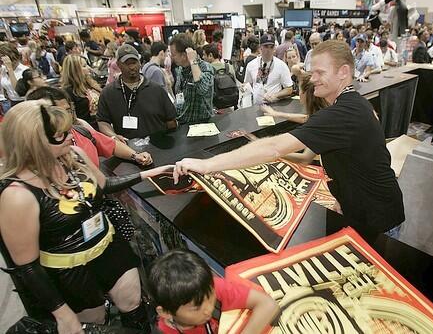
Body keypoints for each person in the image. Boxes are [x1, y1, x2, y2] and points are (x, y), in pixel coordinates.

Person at [173, 40, 405, 240]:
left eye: (320, 73)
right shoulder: (352, 105)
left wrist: (206, 165)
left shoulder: (341, 113)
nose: (313, 79)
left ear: (344, 72)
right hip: (366, 210)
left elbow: (274, 147)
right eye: (312, 72)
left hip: (379, 220)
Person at [0, 102, 174, 333]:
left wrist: (149, 173)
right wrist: (62, 314)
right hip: (70, 272)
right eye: (60, 135)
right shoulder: (17, 196)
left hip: (110, 248)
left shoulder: (75, 156)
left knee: (134, 304)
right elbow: (27, 267)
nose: (69, 137)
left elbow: (104, 185)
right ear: (35, 143)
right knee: (95, 323)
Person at [148, 249, 279, 334]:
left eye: (210, 297)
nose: (208, 309)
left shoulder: (207, 287)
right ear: (166, 312)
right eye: (196, 308)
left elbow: (268, 304)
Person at [26, 86, 153, 167]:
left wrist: (135, 155)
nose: (67, 117)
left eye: (68, 110)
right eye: (60, 113)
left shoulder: (80, 131)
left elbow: (111, 144)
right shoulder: (33, 162)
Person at [97, 44, 177, 141]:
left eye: (134, 62)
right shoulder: (108, 93)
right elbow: (102, 122)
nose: (131, 67)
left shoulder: (156, 89)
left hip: (158, 147)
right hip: (128, 151)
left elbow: (171, 121)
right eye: (127, 63)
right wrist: (113, 136)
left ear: (139, 63)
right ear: (118, 65)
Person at [170, 34, 214, 124]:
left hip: (201, 125)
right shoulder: (180, 69)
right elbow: (179, 96)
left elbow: (202, 89)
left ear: (184, 55)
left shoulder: (206, 68)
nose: (171, 57)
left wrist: (193, 61)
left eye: (174, 54)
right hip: (182, 123)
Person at [243, 33, 293, 105]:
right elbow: (247, 84)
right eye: (266, 46)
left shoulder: (281, 65)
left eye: (271, 47)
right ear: (260, 47)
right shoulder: (251, 65)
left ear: (274, 48)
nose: (268, 50)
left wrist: (276, 95)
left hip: (274, 106)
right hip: (255, 107)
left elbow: (289, 88)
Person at [61, 55, 102, 129]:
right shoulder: (68, 91)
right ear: (75, 70)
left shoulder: (90, 83)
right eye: (84, 66)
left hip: (101, 125)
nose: (88, 68)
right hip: (87, 130)